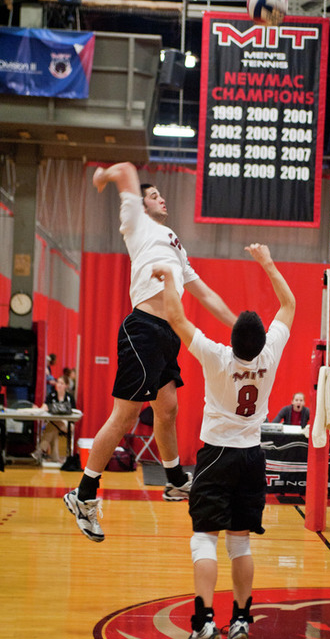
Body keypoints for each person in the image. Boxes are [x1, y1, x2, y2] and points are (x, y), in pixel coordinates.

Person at [63, 162, 237, 542]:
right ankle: (83, 495)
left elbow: (205, 294)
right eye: (155, 195)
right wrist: (103, 176)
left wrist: (239, 326)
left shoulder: (174, 241)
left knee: (168, 408)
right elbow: (126, 169)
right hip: (143, 330)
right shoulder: (136, 223)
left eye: (161, 195)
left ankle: (174, 480)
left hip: (168, 334)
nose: (162, 199)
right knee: (125, 416)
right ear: (140, 205)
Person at [152, 243, 295, 639]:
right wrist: (267, 262)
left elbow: (177, 318)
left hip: (216, 455)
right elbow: (289, 304)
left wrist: (170, 277)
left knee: (203, 539)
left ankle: (204, 623)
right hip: (252, 456)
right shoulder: (271, 352)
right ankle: (241, 621)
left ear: (231, 340)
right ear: (263, 340)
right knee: (241, 544)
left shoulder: (217, 356)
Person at [32, 375, 77, 464]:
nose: (59, 385)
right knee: (53, 427)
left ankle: (40, 450)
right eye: (58, 382)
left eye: (61, 383)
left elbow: (74, 411)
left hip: (67, 424)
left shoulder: (69, 397)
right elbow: (44, 406)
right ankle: (54, 457)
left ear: (66, 386)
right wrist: (39, 409)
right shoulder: (52, 395)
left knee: (52, 424)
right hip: (54, 423)